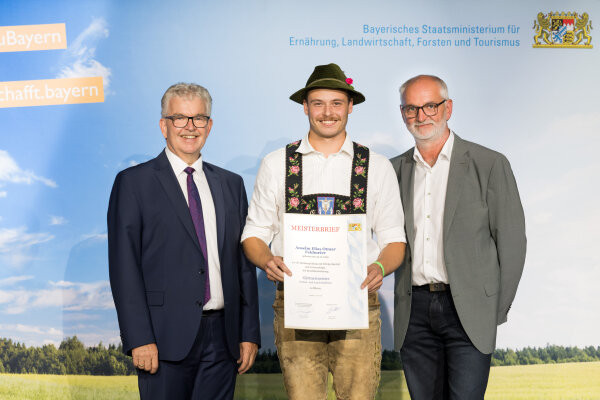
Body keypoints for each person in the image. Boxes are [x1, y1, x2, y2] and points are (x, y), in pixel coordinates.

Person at [241, 63, 406, 399]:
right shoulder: (277, 164)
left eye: (336, 103)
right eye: (318, 103)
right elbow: (253, 234)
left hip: (358, 302)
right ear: (305, 107)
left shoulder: (376, 166)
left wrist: (380, 267)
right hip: (295, 303)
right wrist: (266, 260)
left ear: (350, 106)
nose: (327, 112)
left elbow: (394, 241)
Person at [108, 83, 260, 399]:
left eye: (199, 119)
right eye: (179, 118)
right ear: (163, 125)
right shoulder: (133, 183)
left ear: (210, 125)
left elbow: (243, 265)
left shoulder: (231, 184)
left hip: (224, 339)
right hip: (162, 339)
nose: (190, 128)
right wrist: (138, 337)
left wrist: (249, 333)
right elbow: (124, 268)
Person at [391, 75, 526, 399]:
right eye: (412, 108)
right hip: (415, 312)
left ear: (448, 108)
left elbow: (512, 244)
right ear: (402, 114)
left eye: (430, 106)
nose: (421, 116)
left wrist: (491, 308)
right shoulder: (393, 170)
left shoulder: (489, 164)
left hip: (468, 311)